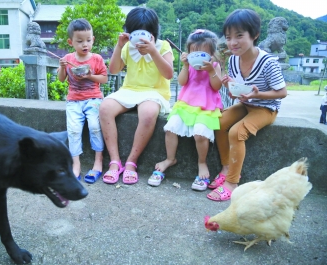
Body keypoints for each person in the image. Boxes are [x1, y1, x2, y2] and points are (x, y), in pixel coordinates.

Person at [207, 9, 287, 201]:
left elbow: (282, 92)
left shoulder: (268, 62)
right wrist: (229, 85)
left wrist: (259, 94)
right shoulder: (234, 59)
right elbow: (237, 91)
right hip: (246, 103)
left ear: (255, 35)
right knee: (218, 121)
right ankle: (226, 168)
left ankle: (232, 183)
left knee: (236, 132)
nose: (232, 42)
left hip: (266, 108)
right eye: (228, 37)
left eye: (239, 36)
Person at [99, 7, 174, 185]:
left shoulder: (163, 46)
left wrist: (153, 52)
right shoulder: (127, 47)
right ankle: (115, 161)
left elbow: (169, 74)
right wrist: (119, 45)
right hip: (130, 90)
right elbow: (114, 69)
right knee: (104, 108)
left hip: (154, 92)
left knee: (148, 113)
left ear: (153, 32)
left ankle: (131, 162)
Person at [148, 29, 223, 188]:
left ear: (211, 53)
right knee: (171, 128)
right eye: (193, 51)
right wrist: (184, 65)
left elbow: (216, 86)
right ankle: (170, 158)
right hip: (185, 104)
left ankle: (202, 163)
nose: (197, 55)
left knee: (200, 133)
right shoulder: (188, 66)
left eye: (202, 52)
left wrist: (210, 71)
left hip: (206, 106)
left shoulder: (214, 66)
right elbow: (182, 82)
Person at [57, 18, 108, 183]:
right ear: (71, 42)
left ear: (93, 39)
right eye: (79, 41)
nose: (84, 44)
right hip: (74, 100)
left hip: (94, 99)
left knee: (94, 126)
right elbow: (61, 79)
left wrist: (89, 76)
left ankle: (98, 162)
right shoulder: (68, 58)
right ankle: (76, 165)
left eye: (88, 40)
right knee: (73, 130)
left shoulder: (97, 59)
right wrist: (62, 67)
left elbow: (104, 79)